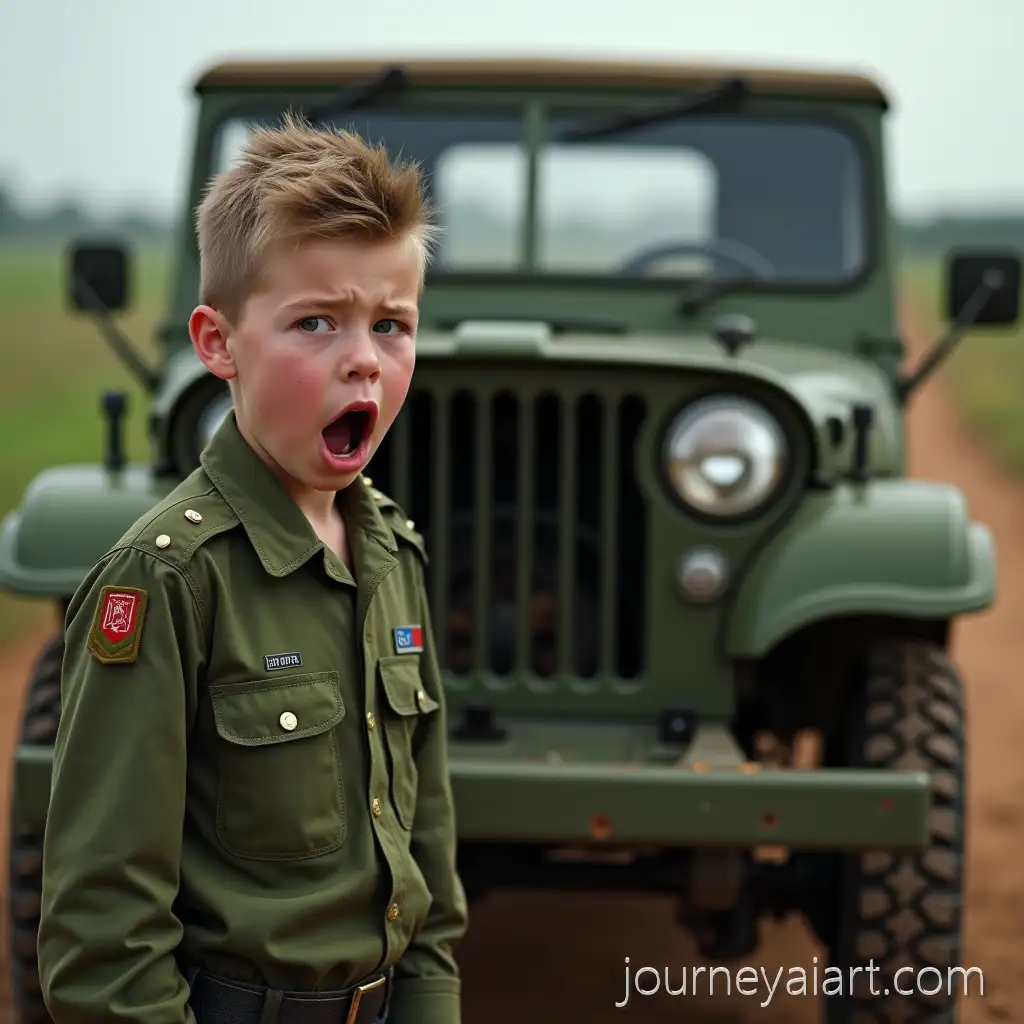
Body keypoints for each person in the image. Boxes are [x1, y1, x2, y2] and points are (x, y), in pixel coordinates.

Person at [37, 111, 468, 1024]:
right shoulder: (166, 578)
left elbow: (424, 854)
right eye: (315, 322)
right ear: (218, 343)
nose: (364, 361)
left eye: (392, 325)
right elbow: (104, 928)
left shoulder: (392, 551)